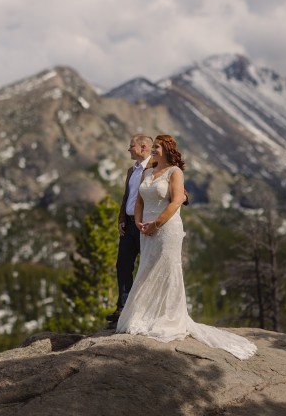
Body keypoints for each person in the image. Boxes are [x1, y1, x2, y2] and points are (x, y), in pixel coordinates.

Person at [115, 134, 257, 359]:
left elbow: (177, 200)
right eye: (153, 147)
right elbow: (137, 200)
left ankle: (166, 316)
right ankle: (143, 313)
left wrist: (157, 224)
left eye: (157, 147)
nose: (153, 150)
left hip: (166, 229)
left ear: (167, 150)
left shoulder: (174, 172)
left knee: (167, 269)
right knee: (145, 268)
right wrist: (138, 222)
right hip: (143, 228)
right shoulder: (145, 172)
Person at [106, 134, 152, 325]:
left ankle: (145, 310)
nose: (128, 149)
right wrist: (121, 219)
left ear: (143, 147)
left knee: (147, 268)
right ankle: (123, 309)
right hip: (129, 225)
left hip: (145, 226)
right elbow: (127, 197)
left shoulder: (156, 167)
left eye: (131, 146)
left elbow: (175, 188)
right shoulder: (131, 171)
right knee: (123, 266)